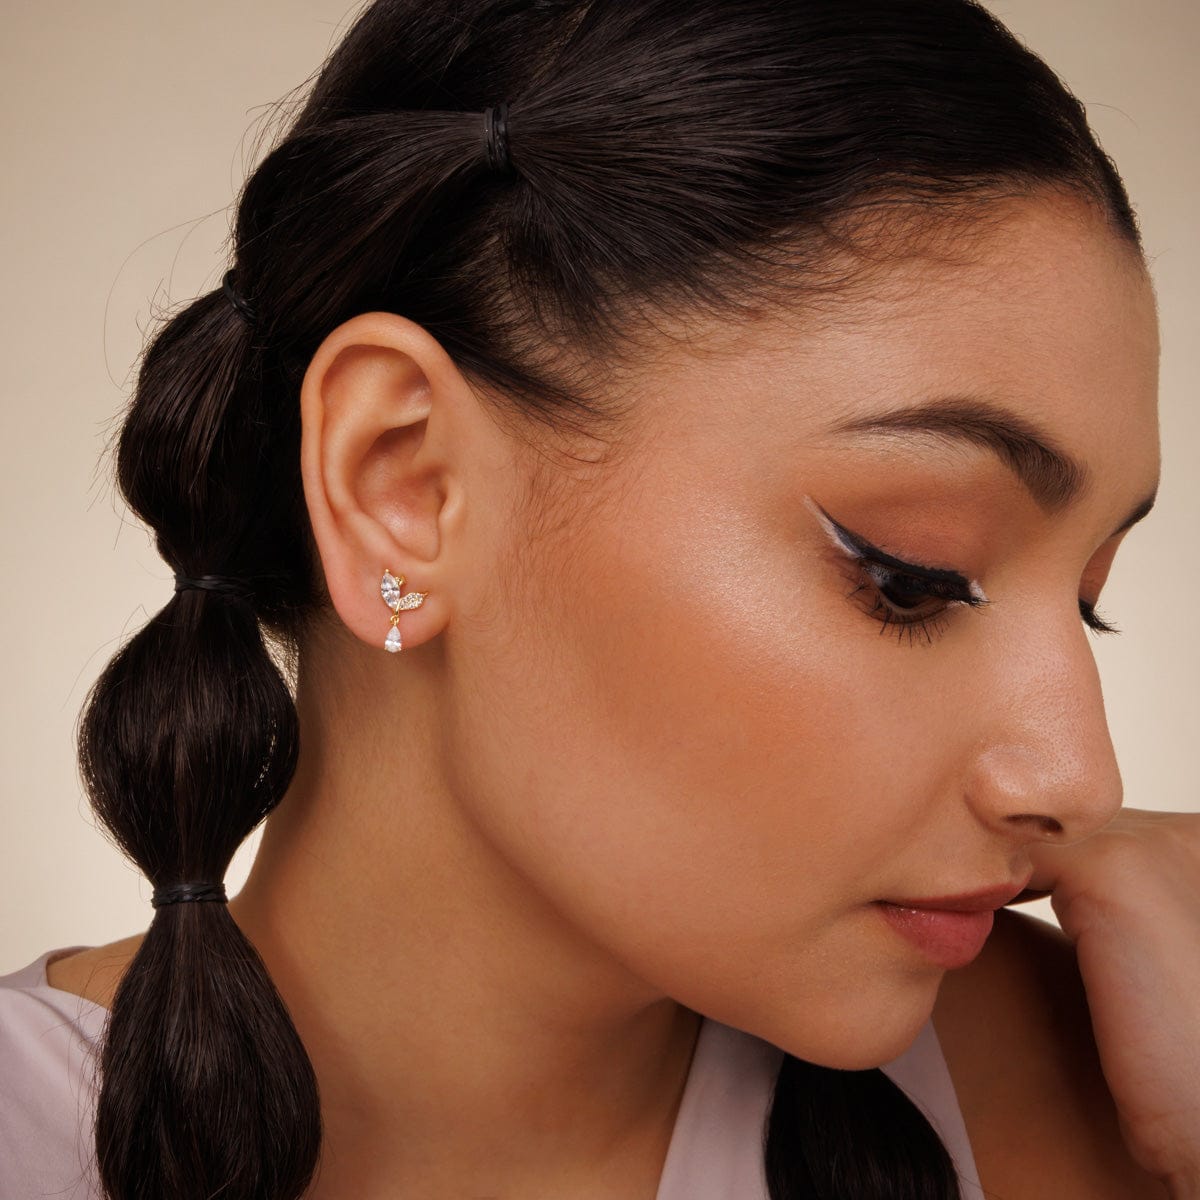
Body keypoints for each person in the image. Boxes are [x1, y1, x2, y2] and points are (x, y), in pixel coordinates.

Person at [1, 0, 1197, 1197]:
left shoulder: (1107, 1081)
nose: (1080, 781)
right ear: (403, 484)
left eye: (1087, 600)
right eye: (909, 578)